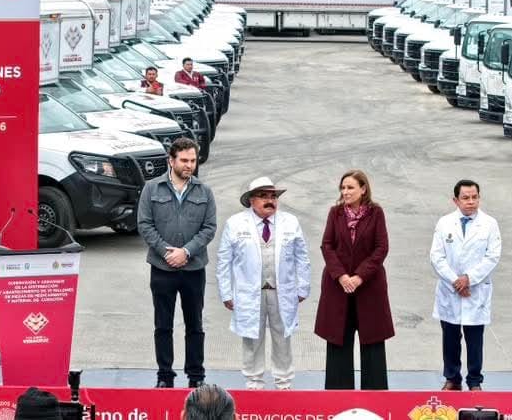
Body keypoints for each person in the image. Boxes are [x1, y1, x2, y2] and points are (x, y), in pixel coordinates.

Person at [217, 176, 311, 390]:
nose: (270, 201)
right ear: (251, 200)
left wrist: (303, 286)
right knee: (252, 339)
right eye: (263, 196)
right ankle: (254, 383)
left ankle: (284, 384)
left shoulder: (290, 222)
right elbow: (224, 261)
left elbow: (302, 257)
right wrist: (226, 293)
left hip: (282, 291)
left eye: (273, 196)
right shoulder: (235, 223)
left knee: (283, 339)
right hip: (249, 292)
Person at [138, 137, 218, 388]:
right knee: (163, 325)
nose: (189, 165)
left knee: (195, 325)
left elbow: (209, 228)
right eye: (184, 160)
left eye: (193, 160)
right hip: (162, 269)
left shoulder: (204, 192)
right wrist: (167, 253)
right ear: (171, 161)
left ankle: (196, 377)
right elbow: (145, 225)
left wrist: (186, 252)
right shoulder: (152, 189)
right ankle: (164, 376)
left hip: (194, 269)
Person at [314, 170, 395, 390]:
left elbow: (381, 248)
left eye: (350, 187)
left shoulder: (376, 213)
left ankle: (375, 397)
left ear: (363, 189)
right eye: (343, 187)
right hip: (338, 288)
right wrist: (341, 276)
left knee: (373, 344)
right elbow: (327, 246)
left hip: (369, 288)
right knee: (338, 342)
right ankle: (338, 397)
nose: (345, 192)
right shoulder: (335, 213)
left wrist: (360, 276)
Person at [429, 179, 501, 392]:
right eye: (466, 198)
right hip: (450, 289)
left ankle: (474, 380)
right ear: (456, 200)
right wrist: (456, 281)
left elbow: (492, 256)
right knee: (450, 338)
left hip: (475, 289)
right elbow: (436, 257)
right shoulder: (444, 223)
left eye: (474, 197)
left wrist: (469, 279)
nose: (471, 202)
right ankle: (452, 378)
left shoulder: (489, 224)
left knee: (474, 340)